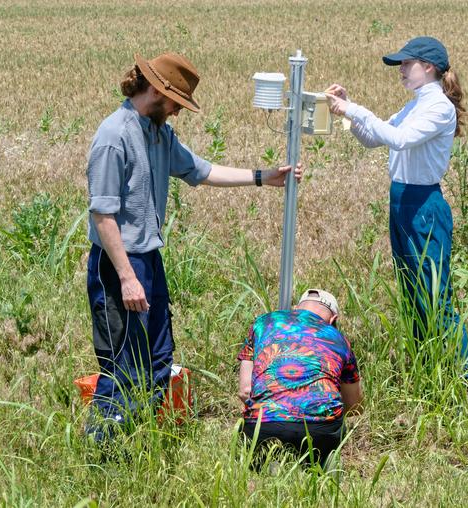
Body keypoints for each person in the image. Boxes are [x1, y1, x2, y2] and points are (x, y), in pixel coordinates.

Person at [85, 52, 302, 441]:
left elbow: (199, 170)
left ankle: (140, 443)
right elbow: (103, 217)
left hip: (148, 260)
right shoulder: (113, 136)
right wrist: (127, 278)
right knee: (124, 366)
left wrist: (261, 177)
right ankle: (103, 454)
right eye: (175, 103)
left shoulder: (159, 133)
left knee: (158, 361)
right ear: (154, 89)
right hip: (118, 265)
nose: (178, 112)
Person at [324, 37, 468, 381]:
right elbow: (373, 138)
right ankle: (430, 372)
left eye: (407, 64)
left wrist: (353, 110)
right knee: (412, 293)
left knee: (436, 297)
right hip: (402, 202)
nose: (402, 71)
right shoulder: (414, 105)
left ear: (429, 68)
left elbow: (400, 139)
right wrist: (347, 111)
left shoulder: (438, 107)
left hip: (423, 205)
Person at [237, 289, 363, 467]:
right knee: (324, 444)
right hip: (320, 430)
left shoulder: (263, 323)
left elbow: (245, 391)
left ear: (296, 308)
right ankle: (324, 464)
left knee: (257, 453)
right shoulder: (340, 340)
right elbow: (354, 406)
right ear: (333, 320)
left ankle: (270, 465)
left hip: (264, 425)